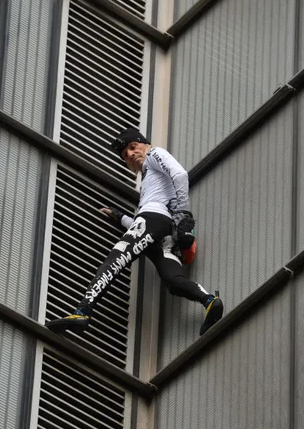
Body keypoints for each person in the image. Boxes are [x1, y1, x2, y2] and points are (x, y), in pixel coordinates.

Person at [46, 127, 224, 337]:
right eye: (125, 155)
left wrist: (183, 213)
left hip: (157, 221)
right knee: (173, 280)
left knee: (115, 260)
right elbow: (144, 225)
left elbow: (180, 175)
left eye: (133, 147)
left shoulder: (154, 154)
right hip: (164, 232)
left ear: (144, 144)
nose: (130, 154)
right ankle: (210, 301)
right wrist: (120, 217)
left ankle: (83, 311)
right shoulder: (149, 179)